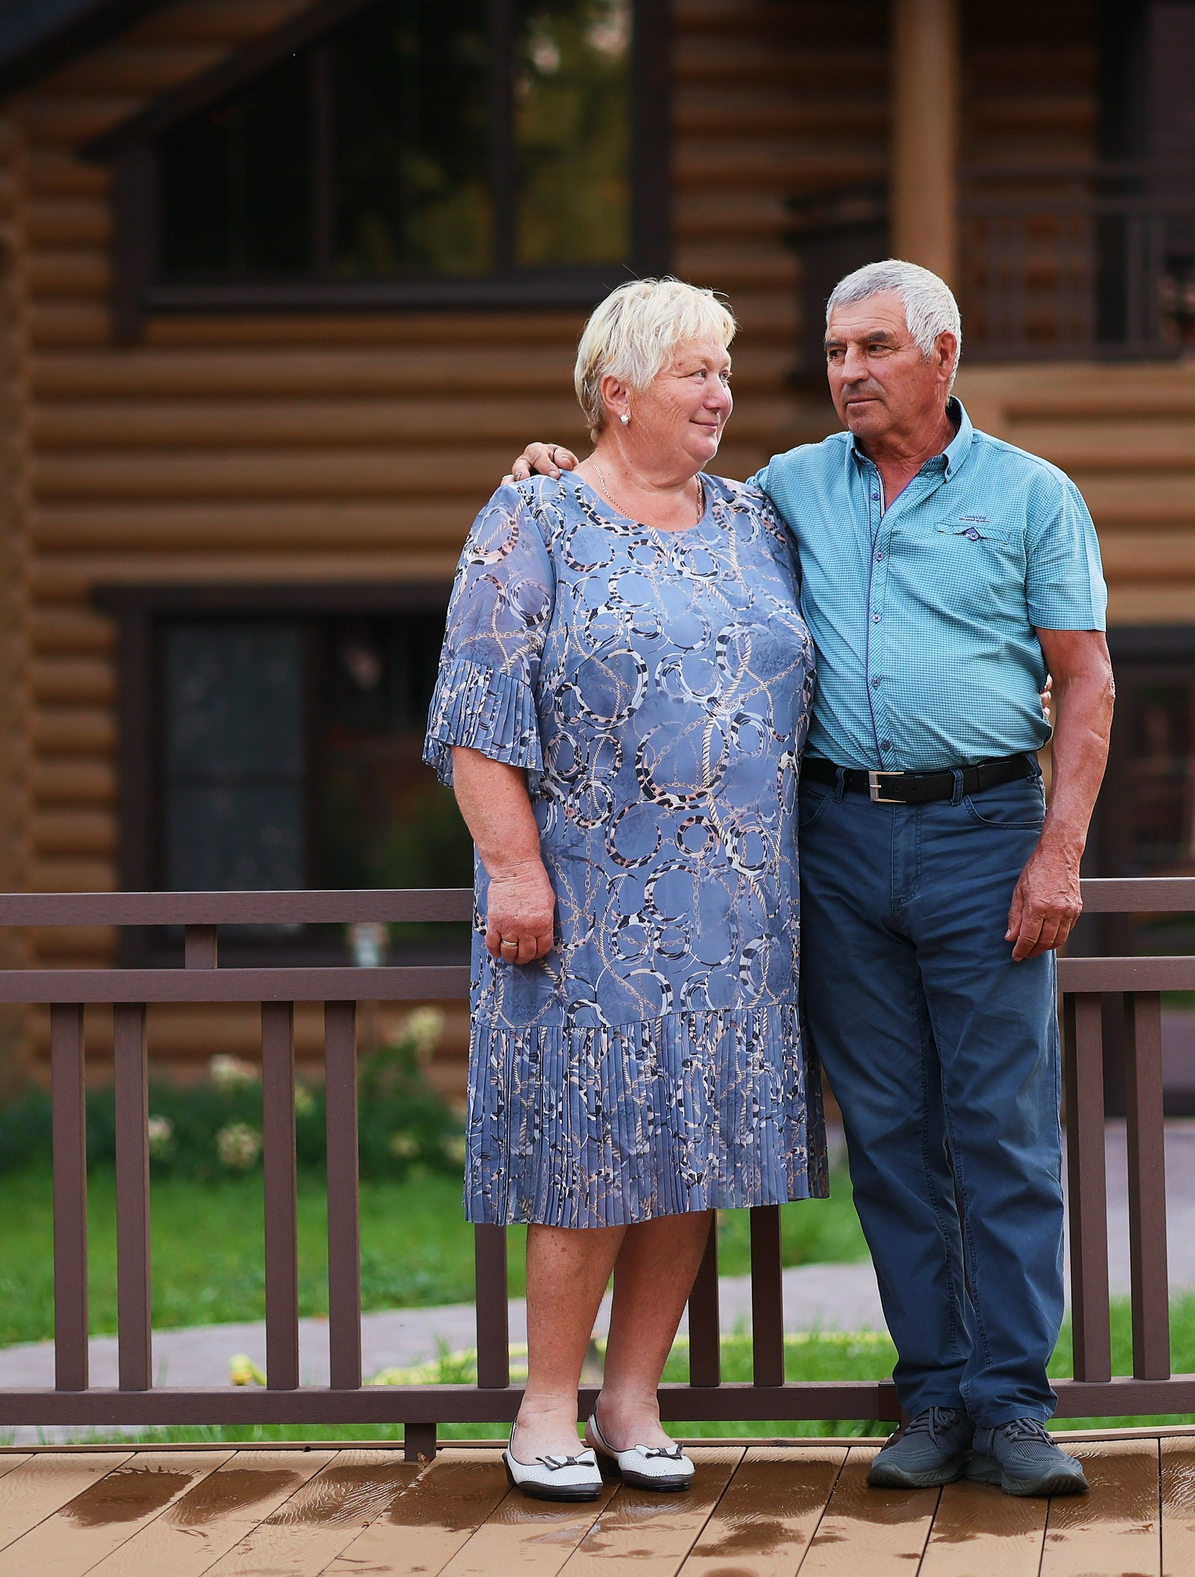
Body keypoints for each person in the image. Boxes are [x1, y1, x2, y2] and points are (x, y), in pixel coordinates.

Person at [512, 260, 1114, 1498]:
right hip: (834, 843)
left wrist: (1057, 853)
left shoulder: (1032, 496)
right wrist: (550, 471)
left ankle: (1011, 1407)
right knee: (888, 1133)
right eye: (836, 352)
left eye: (876, 349)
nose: (848, 372)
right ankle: (935, 1397)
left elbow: (1089, 686)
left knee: (998, 1130)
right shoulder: (781, 492)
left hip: (982, 832)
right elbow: (644, 495)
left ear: (943, 357)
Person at [427, 276, 826, 1502]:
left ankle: (631, 1397)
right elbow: (478, 716)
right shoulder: (532, 518)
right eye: (696, 371)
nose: (722, 392)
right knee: (588, 1149)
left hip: (743, 907)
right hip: (587, 906)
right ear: (617, 393)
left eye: (724, 370)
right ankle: (545, 1404)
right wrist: (513, 871)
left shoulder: (757, 520)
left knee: (696, 1149)